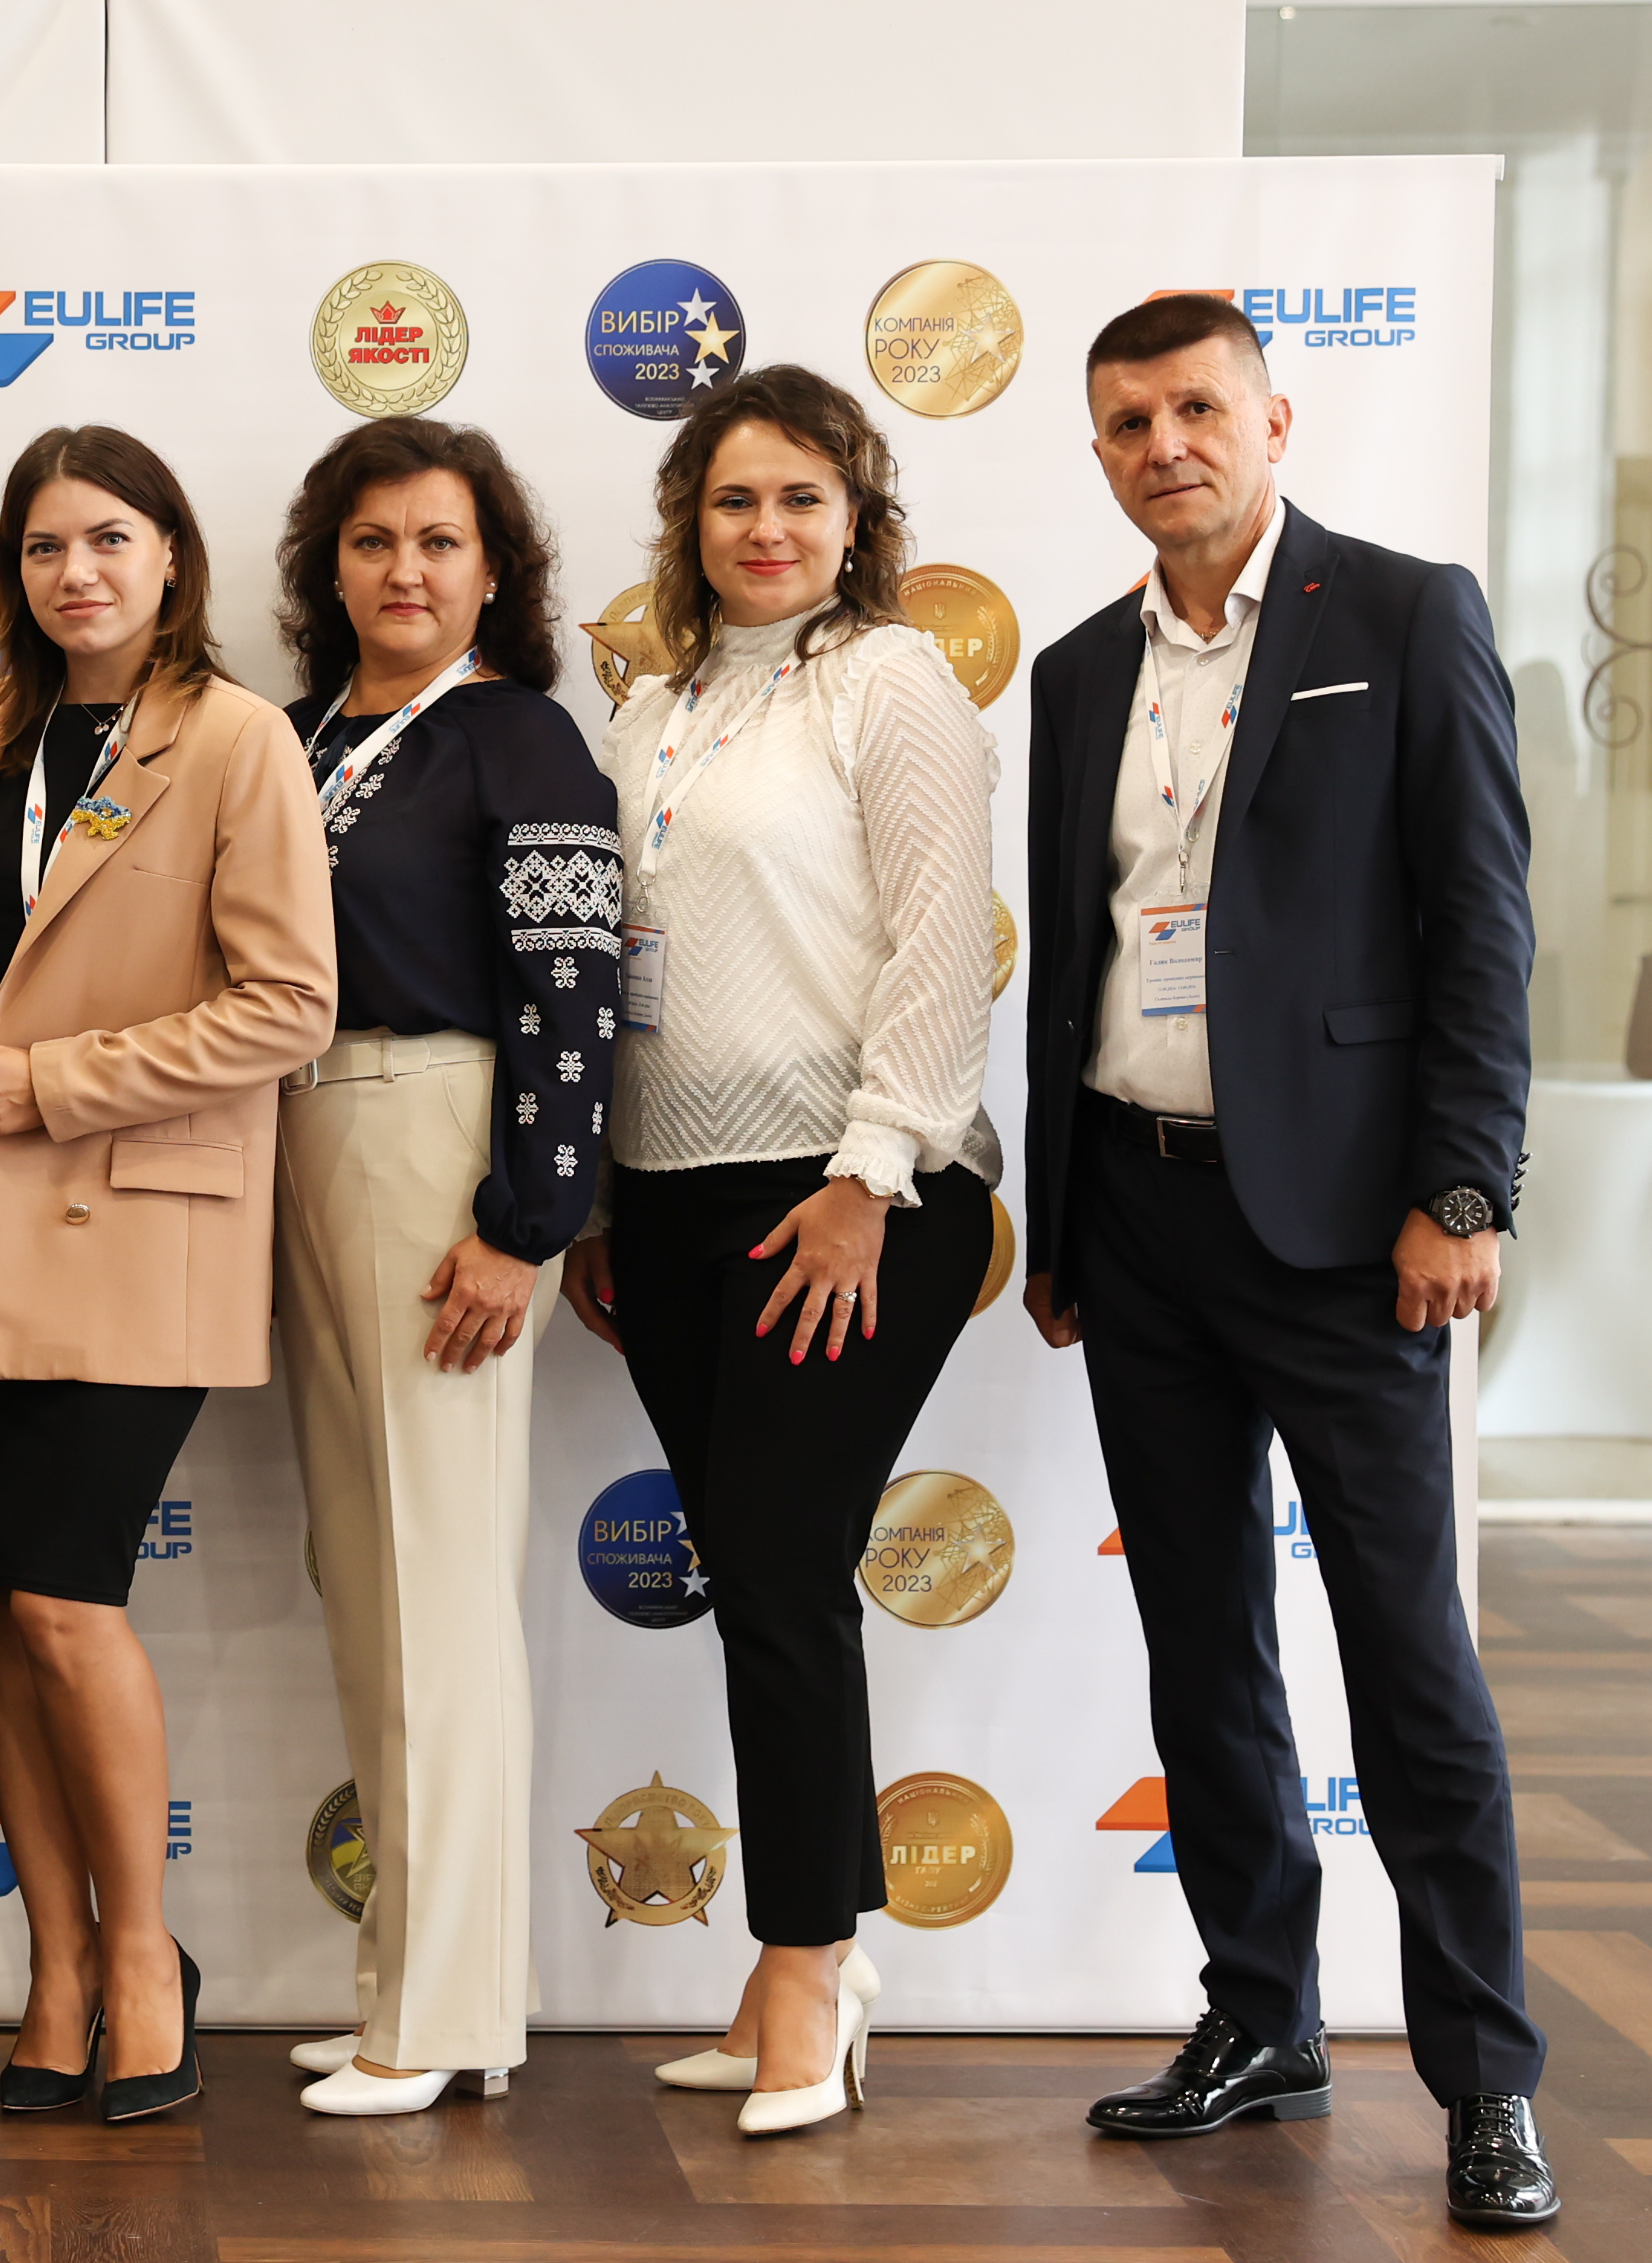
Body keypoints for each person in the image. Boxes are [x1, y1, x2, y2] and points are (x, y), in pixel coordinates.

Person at [1019, 293, 1554, 2229]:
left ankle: (1486, 2077)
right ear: (1097, 450)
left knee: (1408, 1656)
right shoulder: (1078, 668)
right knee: (1202, 1648)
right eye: (1126, 420)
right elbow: (1077, 946)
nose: (1162, 444)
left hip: (1345, 1229)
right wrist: (1065, 1219)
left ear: (1273, 418)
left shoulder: (1402, 616)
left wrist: (1462, 1191)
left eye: (1195, 407)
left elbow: (1480, 922)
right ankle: (1260, 2013)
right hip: (1137, 1215)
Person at [554, 362, 999, 2138]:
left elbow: (942, 942)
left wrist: (870, 1169)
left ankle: (809, 1961)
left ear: (856, 518)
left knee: (785, 1568)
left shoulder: (889, 680)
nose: (765, 529)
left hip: (843, 1192)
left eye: (802, 497)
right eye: (734, 499)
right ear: (689, 521)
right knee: (757, 1572)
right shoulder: (651, 702)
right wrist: (600, 1199)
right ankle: (792, 1961)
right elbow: (615, 971)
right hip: (668, 1198)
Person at [0, 426, 338, 2126]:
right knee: (5, 1604)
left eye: (107, 538)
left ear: (171, 556)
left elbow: (287, 1005)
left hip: (133, 1223)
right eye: (42, 547)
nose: (74, 573)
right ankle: (56, 1963)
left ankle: (146, 1956)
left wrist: (59, 1082)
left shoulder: (237, 739)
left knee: (69, 1598)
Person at [267, 417, 617, 2118]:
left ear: (493, 573)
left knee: (440, 1581)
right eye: (371, 541)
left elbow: (575, 991)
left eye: (438, 541)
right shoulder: (297, 737)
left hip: (440, 1139)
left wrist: (525, 1218)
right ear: (325, 570)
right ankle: (418, 1989)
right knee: (370, 1575)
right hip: (300, 1130)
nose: (402, 570)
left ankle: (448, 2009)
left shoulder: (518, 735)